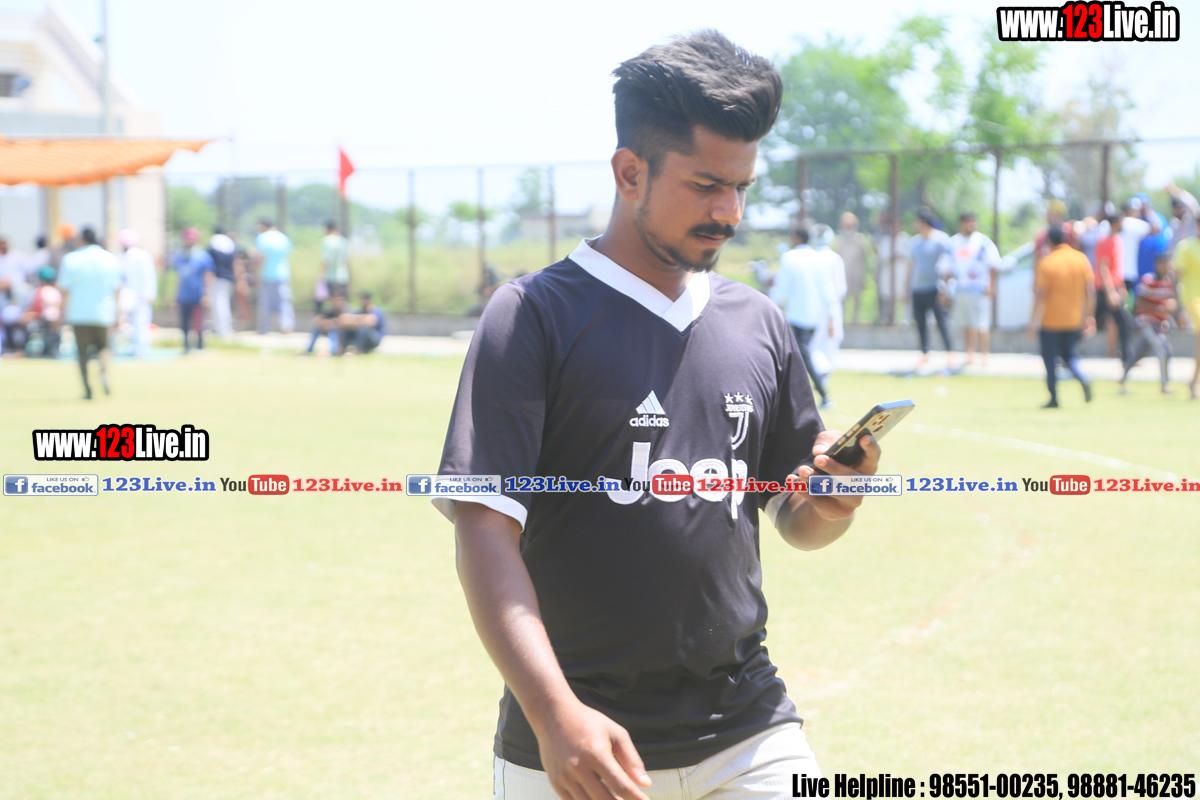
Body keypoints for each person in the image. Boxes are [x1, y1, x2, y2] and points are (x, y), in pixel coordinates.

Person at [437, 31, 883, 800]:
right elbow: (483, 532)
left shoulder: (758, 321)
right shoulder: (533, 314)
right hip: (576, 741)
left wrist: (833, 502)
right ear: (629, 172)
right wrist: (553, 715)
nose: (729, 211)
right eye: (707, 185)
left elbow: (796, 519)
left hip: (749, 729)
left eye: (741, 187)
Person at [770, 225, 837, 408]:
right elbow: (828, 290)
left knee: (801, 355)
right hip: (816, 316)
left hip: (797, 316)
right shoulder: (819, 258)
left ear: (797, 238)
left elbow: (781, 287)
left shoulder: (789, 257)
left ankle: (823, 394)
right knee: (801, 354)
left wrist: (770, 306)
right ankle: (798, 395)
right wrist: (831, 318)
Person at [1030, 225, 1095, 408]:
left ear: (1049, 241)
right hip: (1073, 320)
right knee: (1069, 355)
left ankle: (1054, 398)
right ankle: (1082, 376)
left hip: (1050, 321)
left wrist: (1032, 320)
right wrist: (1089, 316)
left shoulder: (1047, 262)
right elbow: (1089, 291)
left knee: (1050, 360)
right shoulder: (1080, 259)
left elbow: (1041, 294)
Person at [58, 227, 121, 399]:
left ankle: (87, 389)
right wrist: (117, 313)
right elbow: (116, 289)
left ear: (82, 239)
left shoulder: (71, 259)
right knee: (103, 348)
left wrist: (61, 311)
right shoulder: (110, 259)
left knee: (82, 352)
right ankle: (104, 374)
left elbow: (64, 289)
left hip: (78, 313)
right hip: (103, 312)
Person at [1119, 252, 1184, 395]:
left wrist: (1171, 306)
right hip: (1146, 322)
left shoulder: (1169, 282)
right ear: (1158, 265)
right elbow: (1138, 302)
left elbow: (1173, 303)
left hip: (1160, 324)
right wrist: (1157, 308)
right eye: (1164, 264)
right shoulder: (1148, 280)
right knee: (1162, 348)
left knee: (1140, 352)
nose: (1167, 267)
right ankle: (1164, 386)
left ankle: (1122, 379)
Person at [948, 212, 1001, 366]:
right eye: (968, 221)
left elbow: (993, 265)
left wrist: (992, 285)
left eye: (973, 221)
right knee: (967, 324)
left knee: (981, 324)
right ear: (961, 224)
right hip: (961, 288)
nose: (971, 224)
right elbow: (947, 267)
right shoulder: (954, 242)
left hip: (978, 289)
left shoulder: (982, 241)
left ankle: (984, 355)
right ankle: (970, 354)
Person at [908, 209, 954, 371]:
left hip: (935, 288)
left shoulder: (941, 240)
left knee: (941, 321)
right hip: (917, 288)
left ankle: (949, 353)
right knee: (920, 322)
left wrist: (944, 287)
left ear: (923, 223)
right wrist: (907, 286)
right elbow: (912, 265)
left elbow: (948, 264)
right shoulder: (915, 242)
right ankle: (925, 353)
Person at [1092, 210, 1129, 364]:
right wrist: (1111, 293)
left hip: (1114, 287)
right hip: (1105, 289)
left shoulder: (1117, 240)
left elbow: (1117, 268)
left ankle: (1127, 357)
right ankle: (1065, 351)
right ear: (1115, 223)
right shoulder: (1105, 242)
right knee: (1091, 321)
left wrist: (1122, 287)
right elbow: (1103, 268)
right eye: (1121, 222)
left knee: (1123, 323)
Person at [1166, 229, 1200, 399]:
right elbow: (1175, 275)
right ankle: (1193, 383)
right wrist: (1177, 307)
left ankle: (1193, 382)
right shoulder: (1186, 246)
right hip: (1192, 299)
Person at [810, 223, 846, 380]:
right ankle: (823, 380)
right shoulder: (835, 259)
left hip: (812, 307)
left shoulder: (811, 257)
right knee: (830, 345)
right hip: (832, 306)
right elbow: (840, 289)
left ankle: (820, 379)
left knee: (814, 344)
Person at [172, 227, 214, 354]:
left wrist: (206, 294)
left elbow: (208, 275)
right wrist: (174, 296)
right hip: (184, 295)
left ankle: (200, 346)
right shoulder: (180, 256)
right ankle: (186, 346)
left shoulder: (202, 256)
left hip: (197, 294)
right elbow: (177, 277)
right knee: (184, 323)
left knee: (198, 322)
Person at [118, 230, 158, 357]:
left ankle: (136, 348)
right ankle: (139, 348)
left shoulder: (126, 257)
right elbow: (149, 276)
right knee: (139, 323)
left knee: (134, 323)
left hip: (132, 295)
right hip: (137, 295)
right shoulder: (141, 256)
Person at [254, 219, 294, 334]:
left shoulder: (262, 238)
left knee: (265, 303)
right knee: (284, 301)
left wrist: (256, 273)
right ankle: (286, 325)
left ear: (263, 227)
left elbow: (261, 258)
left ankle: (264, 327)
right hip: (283, 274)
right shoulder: (283, 237)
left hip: (266, 275)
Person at [874, 210, 910, 325]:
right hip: (888, 272)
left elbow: (908, 257)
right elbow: (883, 257)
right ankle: (887, 318)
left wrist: (899, 257)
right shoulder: (886, 240)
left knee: (902, 296)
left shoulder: (905, 239)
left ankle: (904, 319)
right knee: (888, 296)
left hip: (901, 272)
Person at [835, 212, 872, 323]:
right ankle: (840, 320)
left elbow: (865, 257)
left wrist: (863, 275)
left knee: (856, 297)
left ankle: (854, 320)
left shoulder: (860, 240)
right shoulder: (840, 240)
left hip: (856, 273)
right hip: (843, 274)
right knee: (842, 297)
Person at [19, 266, 63, 358]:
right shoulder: (57, 291)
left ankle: (22, 350)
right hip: (56, 320)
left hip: (44, 319)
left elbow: (38, 309)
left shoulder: (40, 290)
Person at [1118, 199, 1155, 296]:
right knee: (1125, 301)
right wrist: (1146, 213)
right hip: (1128, 272)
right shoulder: (1133, 223)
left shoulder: (1117, 222)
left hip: (1115, 271)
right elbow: (1156, 229)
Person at [208, 228, 238, 339]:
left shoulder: (214, 242)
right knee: (225, 303)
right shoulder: (230, 243)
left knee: (218, 304)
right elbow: (234, 262)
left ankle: (221, 329)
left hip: (217, 277)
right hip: (229, 277)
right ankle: (226, 327)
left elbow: (210, 262)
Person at [1133, 193, 1170, 281]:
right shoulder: (1134, 220)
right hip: (1138, 263)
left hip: (1155, 263)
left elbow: (1158, 230)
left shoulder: (1158, 218)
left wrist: (1147, 213)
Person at [338, 290, 385, 354]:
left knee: (363, 328)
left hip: (374, 338)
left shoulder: (376, 310)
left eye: (365, 299)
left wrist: (356, 320)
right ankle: (342, 350)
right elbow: (344, 320)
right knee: (347, 329)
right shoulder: (359, 311)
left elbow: (371, 321)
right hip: (360, 335)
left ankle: (358, 351)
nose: (363, 301)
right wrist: (362, 319)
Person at [320, 220, 351, 299]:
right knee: (342, 300)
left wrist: (321, 276)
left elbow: (326, 260)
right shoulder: (344, 241)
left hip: (331, 276)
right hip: (343, 276)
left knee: (333, 300)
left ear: (327, 228)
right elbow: (347, 260)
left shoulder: (326, 240)